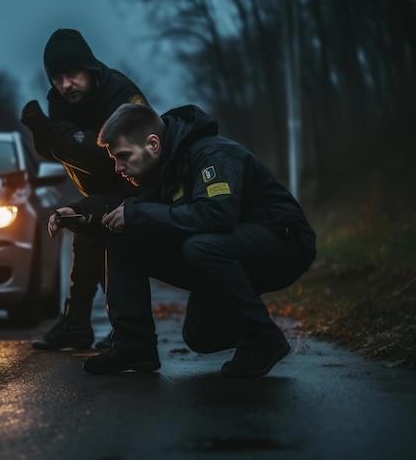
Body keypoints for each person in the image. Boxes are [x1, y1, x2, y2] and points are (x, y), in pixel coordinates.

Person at [75, 103, 316, 377]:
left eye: (123, 156)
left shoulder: (211, 154)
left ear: (152, 143)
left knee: (199, 246)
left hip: (284, 241)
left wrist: (137, 213)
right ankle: (134, 346)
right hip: (227, 246)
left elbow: (217, 214)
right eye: (115, 160)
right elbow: (136, 209)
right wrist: (82, 213)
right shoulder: (166, 167)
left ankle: (263, 337)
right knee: (200, 336)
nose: (119, 167)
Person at [20, 28, 149, 351]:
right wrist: (44, 134)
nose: (65, 85)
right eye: (57, 77)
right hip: (99, 190)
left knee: (110, 246)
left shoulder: (121, 94)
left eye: (72, 74)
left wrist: (57, 136)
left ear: (89, 68)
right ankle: (81, 325)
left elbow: (103, 155)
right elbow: (55, 151)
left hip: (136, 183)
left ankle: (127, 332)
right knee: (87, 236)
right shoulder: (59, 100)